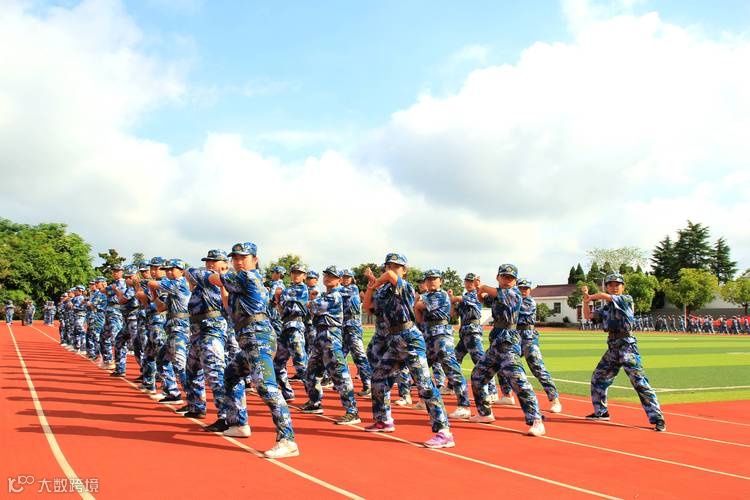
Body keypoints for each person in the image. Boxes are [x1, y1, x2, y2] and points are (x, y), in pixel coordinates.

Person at [209, 242, 299, 459]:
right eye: (235, 258)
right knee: (231, 375)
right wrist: (222, 279)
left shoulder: (247, 277)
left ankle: (288, 440)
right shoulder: (239, 283)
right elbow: (226, 302)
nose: (239, 262)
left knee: (266, 387)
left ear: (255, 260)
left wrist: (218, 272)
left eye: (244, 257)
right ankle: (239, 423)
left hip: (258, 339)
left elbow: (212, 279)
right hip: (249, 340)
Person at [363, 252, 455, 449]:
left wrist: (377, 280)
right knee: (378, 378)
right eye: (388, 265)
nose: (391, 269)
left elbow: (389, 276)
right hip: (393, 341)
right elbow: (367, 306)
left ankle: (444, 432)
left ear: (404, 270)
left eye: (396, 266)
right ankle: (384, 420)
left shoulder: (405, 286)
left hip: (410, 338)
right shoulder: (383, 291)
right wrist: (371, 287)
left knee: (424, 385)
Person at [467, 264, 546, 437]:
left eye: (511, 278)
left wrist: (482, 286)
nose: (507, 280)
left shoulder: (514, 294)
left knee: (519, 381)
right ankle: (485, 413)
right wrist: (479, 290)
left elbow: (490, 292)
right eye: (504, 277)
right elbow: (483, 299)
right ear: (498, 277)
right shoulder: (498, 295)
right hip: (496, 343)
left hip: (509, 343)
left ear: (515, 281)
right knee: (478, 376)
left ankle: (536, 420)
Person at [582, 273, 666, 432]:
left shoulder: (626, 299)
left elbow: (604, 296)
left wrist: (591, 296)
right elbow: (588, 316)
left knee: (638, 381)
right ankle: (601, 412)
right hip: (613, 347)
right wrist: (586, 301)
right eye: (610, 285)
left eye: (617, 285)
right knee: (598, 377)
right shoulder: (606, 308)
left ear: (623, 287)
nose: (614, 287)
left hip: (627, 346)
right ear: (607, 286)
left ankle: (657, 418)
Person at [299, 266, 361, 424]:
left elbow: (312, 307)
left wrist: (311, 300)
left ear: (339, 280)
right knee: (311, 372)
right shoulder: (325, 295)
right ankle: (315, 402)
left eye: (332, 276)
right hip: (320, 336)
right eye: (326, 275)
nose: (328, 278)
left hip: (330, 336)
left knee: (339, 373)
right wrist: (312, 301)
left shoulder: (335, 295)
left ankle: (352, 411)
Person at [496, 279, 562, 413]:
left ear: (530, 290)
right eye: (521, 288)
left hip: (528, 337)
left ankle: (555, 400)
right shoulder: (512, 299)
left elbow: (513, 307)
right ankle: (507, 395)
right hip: (514, 336)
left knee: (537, 367)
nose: (523, 291)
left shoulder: (529, 302)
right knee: (502, 364)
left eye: (526, 289)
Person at [184, 249, 232, 427]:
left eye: (214, 261)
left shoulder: (229, 281)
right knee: (192, 370)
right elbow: (189, 272)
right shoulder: (204, 278)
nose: (210, 264)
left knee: (215, 373)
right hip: (197, 330)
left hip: (212, 329)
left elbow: (190, 272)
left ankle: (225, 416)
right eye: (208, 261)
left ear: (224, 264)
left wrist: (223, 278)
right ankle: (197, 406)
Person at [415, 269, 472, 419]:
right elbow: (418, 315)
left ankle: (464, 406)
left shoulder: (441, 295)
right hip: (428, 335)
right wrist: (417, 305)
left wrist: (417, 304)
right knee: (420, 368)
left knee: (451, 368)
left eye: (435, 279)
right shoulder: (426, 296)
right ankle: (425, 399)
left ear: (441, 281)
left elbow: (419, 307)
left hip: (441, 335)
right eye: (428, 279)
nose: (431, 281)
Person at [149, 259, 191, 404]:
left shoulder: (179, 283)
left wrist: (150, 285)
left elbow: (153, 283)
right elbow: (161, 308)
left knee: (180, 364)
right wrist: (153, 293)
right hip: (173, 329)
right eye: (166, 270)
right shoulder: (171, 289)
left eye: (172, 269)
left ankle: (193, 399)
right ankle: (173, 392)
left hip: (181, 328)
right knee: (162, 360)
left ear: (181, 271)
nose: (168, 272)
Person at [451, 272, 498, 403]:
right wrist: (451, 302)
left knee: (481, 362)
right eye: (467, 281)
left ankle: (492, 391)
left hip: (473, 332)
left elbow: (459, 299)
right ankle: (451, 386)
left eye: (471, 281)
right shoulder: (465, 296)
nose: (469, 284)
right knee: (454, 359)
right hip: (464, 332)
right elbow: (453, 314)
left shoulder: (476, 295)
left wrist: (453, 298)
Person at [274, 263, 309, 401]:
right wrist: (279, 298)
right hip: (285, 327)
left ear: (304, 276)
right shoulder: (287, 289)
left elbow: (290, 302)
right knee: (277, 364)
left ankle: (314, 398)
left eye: (299, 273)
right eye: (294, 272)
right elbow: (279, 306)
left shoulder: (303, 289)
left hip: (296, 326)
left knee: (301, 363)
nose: (296, 275)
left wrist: (280, 295)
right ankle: (287, 392)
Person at [339, 269, 372, 396]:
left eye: (348, 277)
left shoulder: (353, 288)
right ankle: (343, 382)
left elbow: (338, 292)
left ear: (352, 279)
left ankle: (368, 384)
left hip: (353, 327)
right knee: (339, 356)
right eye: (343, 277)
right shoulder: (339, 290)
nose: (345, 279)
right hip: (343, 327)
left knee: (359, 356)